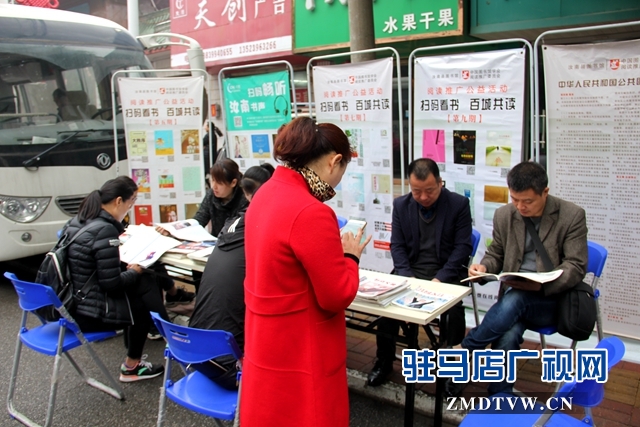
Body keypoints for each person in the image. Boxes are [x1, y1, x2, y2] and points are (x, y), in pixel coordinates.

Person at [241, 117, 371, 426]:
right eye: (342, 171)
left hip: (266, 343)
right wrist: (350, 258)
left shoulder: (265, 193)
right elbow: (336, 295)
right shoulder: (312, 211)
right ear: (334, 161)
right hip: (303, 351)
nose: (338, 180)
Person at [446, 161, 588, 397]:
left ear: (545, 192)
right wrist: (484, 267)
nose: (520, 207)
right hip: (513, 301)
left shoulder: (571, 216)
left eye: (528, 201)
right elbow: (496, 254)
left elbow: (576, 265)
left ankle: (466, 349)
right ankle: (499, 396)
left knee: (519, 298)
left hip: (552, 300)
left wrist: (543, 284)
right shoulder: (505, 215)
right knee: (508, 333)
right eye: (515, 199)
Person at [367, 158, 473, 386]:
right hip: (411, 272)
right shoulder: (402, 205)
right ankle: (383, 362)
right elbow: (397, 246)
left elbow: (462, 248)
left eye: (429, 191)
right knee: (385, 308)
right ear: (409, 186)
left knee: (454, 314)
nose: (423, 197)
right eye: (417, 192)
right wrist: (407, 277)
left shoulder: (458, 205)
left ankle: (453, 372)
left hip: (445, 273)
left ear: (440, 183)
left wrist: (439, 279)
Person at [65, 176, 168, 382]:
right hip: (88, 313)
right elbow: (112, 284)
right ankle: (136, 362)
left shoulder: (80, 219)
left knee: (142, 284)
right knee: (142, 294)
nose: (131, 208)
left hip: (69, 301)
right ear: (119, 201)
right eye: (132, 202)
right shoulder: (105, 229)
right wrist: (135, 270)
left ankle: (164, 331)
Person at [188, 163, 274, 389]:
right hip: (229, 369)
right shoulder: (261, 230)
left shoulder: (233, 225)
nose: (214, 187)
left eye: (219, 182)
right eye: (212, 182)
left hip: (194, 354)